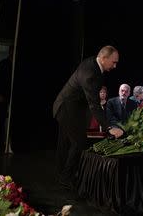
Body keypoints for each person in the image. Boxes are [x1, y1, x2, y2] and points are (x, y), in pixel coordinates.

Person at [53, 45, 124, 189]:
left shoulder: (93, 62)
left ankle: (62, 175)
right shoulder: (91, 74)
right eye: (114, 62)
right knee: (79, 142)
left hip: (68, 107)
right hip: (66, 108)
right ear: (104, 58)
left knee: (66, 142)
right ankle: (66, 178)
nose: (115, 66)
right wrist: (109, 128)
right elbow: (94, 105)